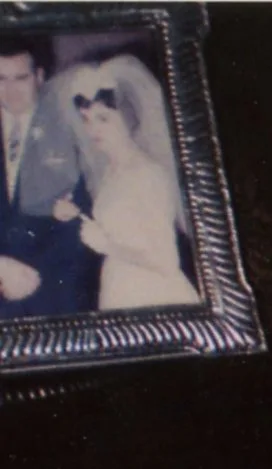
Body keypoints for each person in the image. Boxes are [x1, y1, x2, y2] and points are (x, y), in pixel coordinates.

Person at [54, 55, 198, 311]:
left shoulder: (147, 173)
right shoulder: (110, 170)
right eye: (86, 119)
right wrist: (77, 216)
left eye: (103, 118)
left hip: (152, 294)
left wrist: (106, 245)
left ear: (129, 118)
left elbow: (166, 260)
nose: (92, 130)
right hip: (118, 283)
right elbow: (124, 226)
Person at [0, 32, 99, 316]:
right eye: (1, 79)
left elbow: (85, 214)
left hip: (55, 292)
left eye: (20, 78)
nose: (10, 90)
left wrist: (35, 275)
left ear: (40, 77)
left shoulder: (70, 128)